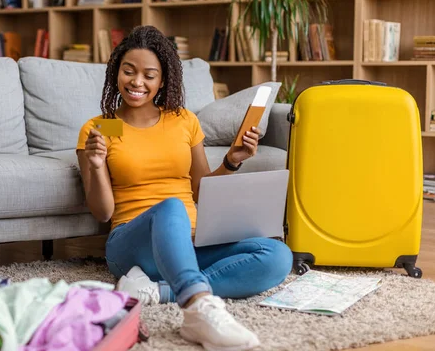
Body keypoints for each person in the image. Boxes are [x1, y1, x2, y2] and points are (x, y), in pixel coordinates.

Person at [76, 25, 292, 351]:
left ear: (163, 80)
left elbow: (201, 190)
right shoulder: (101, 126)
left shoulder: (183, 120)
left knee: (277, 255)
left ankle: (156, 291)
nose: (137, 82)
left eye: (149, 75)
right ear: (116, 73)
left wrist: (232, 161)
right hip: (131, 248)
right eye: (128, 71)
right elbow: (102, 212)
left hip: (191, 243)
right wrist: (94, 167)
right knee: (172, 206)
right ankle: (197, 306)